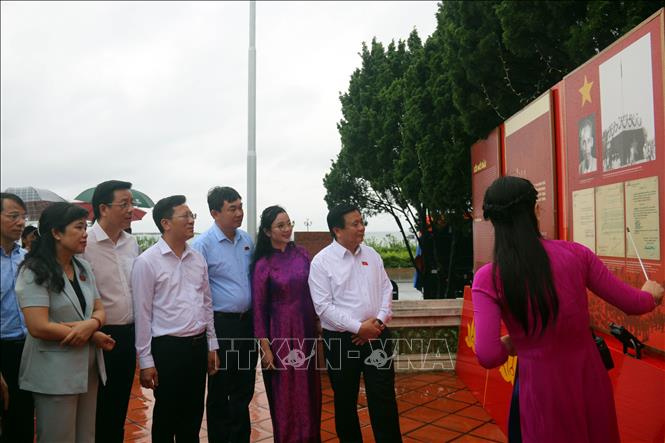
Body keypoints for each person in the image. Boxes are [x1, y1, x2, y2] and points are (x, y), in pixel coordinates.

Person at [472, 176, 664, 443]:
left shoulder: (488, 278)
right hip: (590, 381)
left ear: (494, 222)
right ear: (535, 210)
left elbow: (488, 354)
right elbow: (633, 303)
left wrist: (516, 341)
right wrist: (650, 295)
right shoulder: (576, 254)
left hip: (540, 391)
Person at [15, 202, 115, 443]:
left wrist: (91, 325)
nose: (85, 234)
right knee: (58, 437)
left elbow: (100, 309)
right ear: (56, 233)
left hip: (87, 368)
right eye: (79, 228)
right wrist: (91, 330)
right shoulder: (34, 271)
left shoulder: (83, 267)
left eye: (86, 227)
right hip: (54, 371)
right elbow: (38, 326)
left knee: (86, 436)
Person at [308, 204, 402, 443]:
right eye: (355, 223)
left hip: (377, 336)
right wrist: (359, 328)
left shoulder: (372, 255)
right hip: (341, 341)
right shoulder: (321, 263)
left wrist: (377, 323)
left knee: (383, 398)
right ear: (337, 230)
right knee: (345, 401)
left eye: (362, 222)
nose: (362, 228)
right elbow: (324, 308)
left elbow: (386, 290)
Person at [132, 195, 218, 442]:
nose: (191, 221)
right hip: (168, 349)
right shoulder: (147, 262)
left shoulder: (197, 258)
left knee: (192, 417)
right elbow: (143, 313)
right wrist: (146, 361)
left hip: (196, 346)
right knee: (167, 417)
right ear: (166, 223)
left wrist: (212, 344)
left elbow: (206, 304)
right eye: (186, 216)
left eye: (192, 216)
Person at [191, 186, 257, 443]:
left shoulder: (247, 241)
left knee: (244, 388)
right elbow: (198, 295)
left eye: (240, 207)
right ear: (215, 212)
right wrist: (210, 340)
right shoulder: (202, 246)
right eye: (233, 208)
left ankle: (241, 438)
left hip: (246, 325)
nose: (239, 213)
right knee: (220, 390)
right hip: (221, 325)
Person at [251, 206, 321, 443]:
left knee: (309, 389)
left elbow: (315, 291)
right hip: (280, 334)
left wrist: (319, 322)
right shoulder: (263, 264)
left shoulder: (302, 254)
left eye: (288, 223)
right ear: (267, 232)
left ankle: (311, 437)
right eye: (280, 226)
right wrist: (266, 348)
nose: (287, 229)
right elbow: (258, 310)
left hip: (306, 330)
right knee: (285, 393)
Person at [82, 180, 140, 443]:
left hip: (128, 336)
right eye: (124, 204)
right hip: (98, 336)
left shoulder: (131, 243)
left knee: (119, 406)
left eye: (132, 203)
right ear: (103, 208)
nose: (131, 209)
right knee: (96, 409)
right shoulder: (86, 244)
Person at [0, 193, 34, 443]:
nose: (21, 222)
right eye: (13, 216)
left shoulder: (27, 259)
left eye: (23, 216)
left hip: (28, 350)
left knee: (22, 419)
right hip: (1, 349)